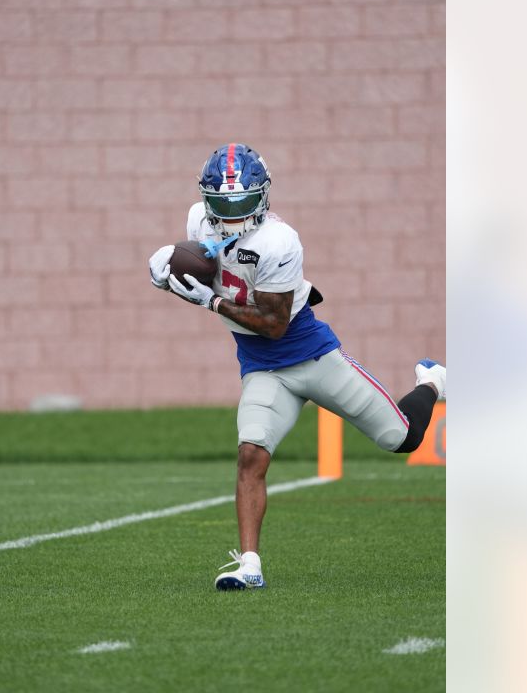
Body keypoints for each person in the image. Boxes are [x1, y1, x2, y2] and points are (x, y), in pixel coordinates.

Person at [148, 143, 447, 591]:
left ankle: (433, 380)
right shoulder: (197, 218)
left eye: (243, 202)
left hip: (311, 356)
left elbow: (273, 324)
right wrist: (170, 275)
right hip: (263, 369)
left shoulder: (279, 241)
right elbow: (209, 265)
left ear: (264, 197)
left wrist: (208, 299)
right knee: (250, 455)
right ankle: (250, 565)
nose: (231, 215)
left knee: (401, 438)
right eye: (222, 205)